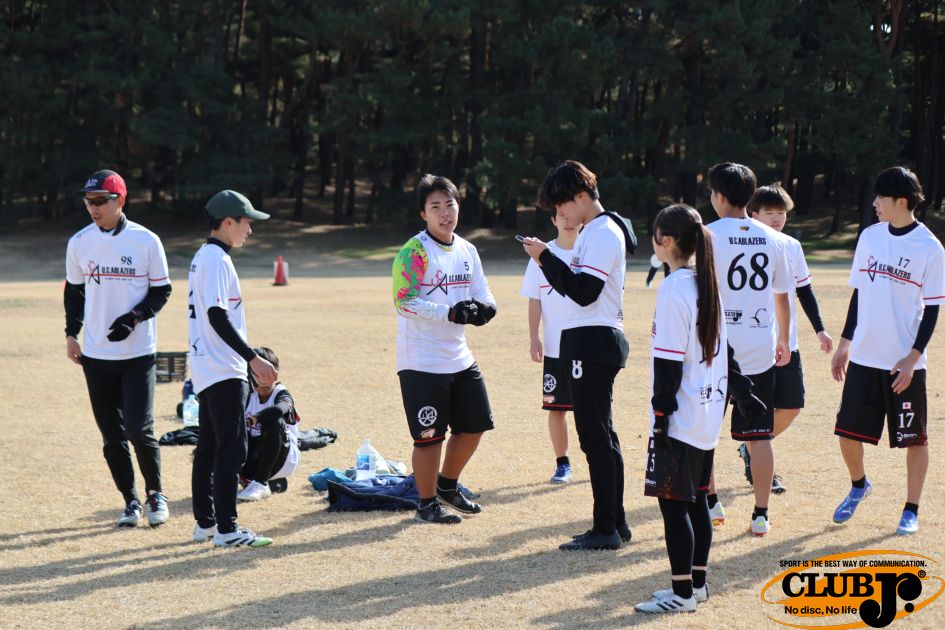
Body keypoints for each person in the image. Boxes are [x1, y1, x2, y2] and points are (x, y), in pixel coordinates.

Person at [635, 204, 765, 614]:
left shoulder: (675, 289)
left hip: (683, 414)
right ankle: (698, 584)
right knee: (697, 500)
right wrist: (740, 391)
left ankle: (682, 594)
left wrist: (660, 415)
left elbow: (668, 363)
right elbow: (724, 352)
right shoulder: (703, 283)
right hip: (706, 414)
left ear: (665, 240)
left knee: (674, 504)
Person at [522, 160, 637, 550]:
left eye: (563, 205)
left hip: (593, 340)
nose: (561, 215)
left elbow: (584, 292)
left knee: (594, 438)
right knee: (603, 435)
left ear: (582, 196)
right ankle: (616, 522)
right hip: (590, 340)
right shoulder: (596, 231)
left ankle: (605, 528)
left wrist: (545, 257)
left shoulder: (602, 233)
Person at [830, 166, 944, 536]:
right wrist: (844, 343)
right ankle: (859, 485)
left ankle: (911, 509)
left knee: (915, 440)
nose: (875, 203)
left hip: (903, 365)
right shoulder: (870, 237)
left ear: (902, 201)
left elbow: (933, 308)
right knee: (847, 433)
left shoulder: (930, 248)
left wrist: (913, 357)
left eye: (881, 197)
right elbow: (859, 293)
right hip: (864, 357)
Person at [64, 169, 172, 527]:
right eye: (88, 201)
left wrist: (134, 317)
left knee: (139, 429)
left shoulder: (146, 241)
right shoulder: (79, 241)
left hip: (138, 354)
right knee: (111, 435)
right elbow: (74, 292)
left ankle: (156, 494)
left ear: (120, 200)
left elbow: (162, 291)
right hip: (96, 356)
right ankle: (130, 501)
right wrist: (71, 333)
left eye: (100, 201)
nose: (93, 208)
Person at [392, 174, 498, 525]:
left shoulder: (467, 250)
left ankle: (447, 486)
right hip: (421, 359)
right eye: (435, 206)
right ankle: (426, 504)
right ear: (423, 213)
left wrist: (485, 310)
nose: (444, 212)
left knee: (476, 424)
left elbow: (483, 293)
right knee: (429, 438)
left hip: (459, 355)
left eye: (449, 204)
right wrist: (450, 312)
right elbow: (404, 301)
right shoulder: (414, 251)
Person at [704, 162, 791, 537]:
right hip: (758, 348)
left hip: (715, 348)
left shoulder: (706, 234)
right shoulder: (773, 238)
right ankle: (760, 514)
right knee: (760, 435)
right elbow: (782, 294)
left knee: (705, 431)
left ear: (719, 196)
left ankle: (711, 503)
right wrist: (783, 338)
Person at [188, 190, 279, 548]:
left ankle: (206, 524)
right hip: (223, 367)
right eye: (246, 222)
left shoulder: (203, 257)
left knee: (209, 446)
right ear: (228, 222)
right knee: (233, 448)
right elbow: (217, 315)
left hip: (207, 366)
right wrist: (252, 357)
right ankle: (227, 529)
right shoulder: (216, 260)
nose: (250, 230)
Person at [745, 184, 834, 493]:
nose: (776, 218)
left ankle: (752, 445)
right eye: (769, 212)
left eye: (781, 213)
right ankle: (760, 461)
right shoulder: (743, 243)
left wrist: (820, 329)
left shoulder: (792, 246)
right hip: (751, 343)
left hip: (786, 342)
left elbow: (804, 291)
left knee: (793, 405)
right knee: (752, 407)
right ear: (753, 214)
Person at [520, 209, 580, 483]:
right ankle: (562, 463)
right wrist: (534, 337)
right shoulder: (539, 255)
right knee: (557, 408)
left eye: (572, 214)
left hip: (587, 347)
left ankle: (600, 457)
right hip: (556, 348)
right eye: (561, 215)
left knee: (596, 408)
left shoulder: (590, 252)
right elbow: (535, 299)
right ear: (553, 220)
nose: (567, 220)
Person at [238, 347, 301, 501]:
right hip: (254, 454)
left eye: (268, 374)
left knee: (273, 421)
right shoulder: (247, 393)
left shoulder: (281, 393)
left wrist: (253, 420)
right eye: (258, 375)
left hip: (282, 458)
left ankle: (260, 483)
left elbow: (280, 409)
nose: (264, 381)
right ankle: (243, 478)